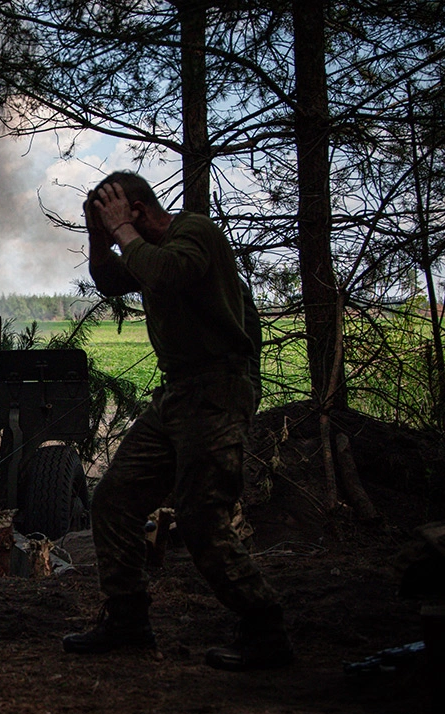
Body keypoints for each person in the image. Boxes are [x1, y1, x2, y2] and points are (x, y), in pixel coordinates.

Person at [62, 171, 293, 671]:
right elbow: (110, 281)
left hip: (216, 391)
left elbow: (165, 273)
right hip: (177, 395)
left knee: (201, 516)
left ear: (139, 211)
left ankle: (265, 627)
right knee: (115, 499)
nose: (116, 230)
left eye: (117, 217)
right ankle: (127, 619)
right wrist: (99, 237)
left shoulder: (195, 234)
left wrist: (122, 230)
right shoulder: (146, 250)